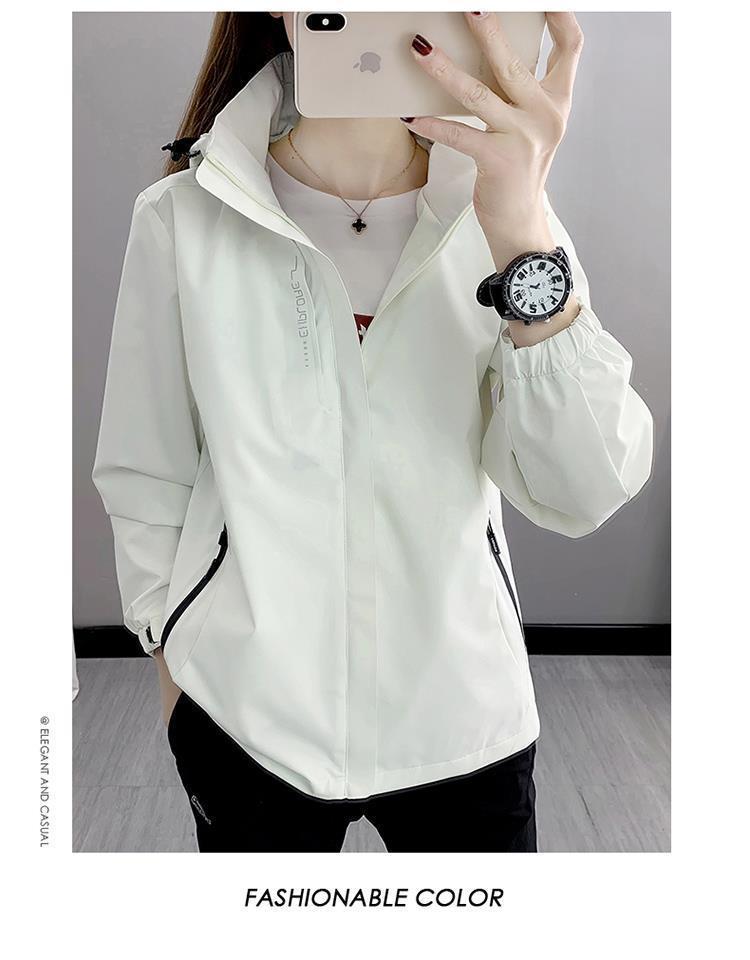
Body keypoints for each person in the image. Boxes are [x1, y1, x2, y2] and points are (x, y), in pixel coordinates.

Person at [92, 11, 653, 852]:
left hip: (463, 716)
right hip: (246, 717)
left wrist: (521, 228)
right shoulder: (182, 217)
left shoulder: (502, 218)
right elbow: (148, 469)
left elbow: (583, 488)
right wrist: (174, 664)